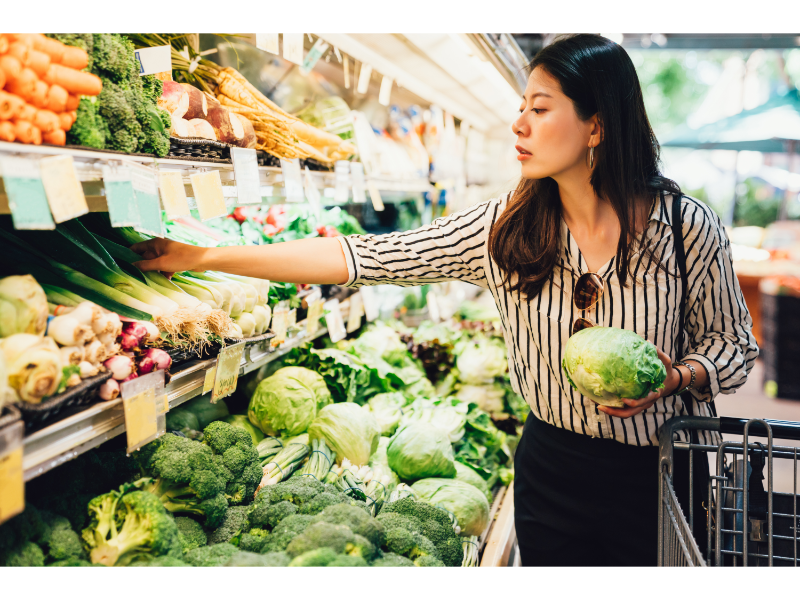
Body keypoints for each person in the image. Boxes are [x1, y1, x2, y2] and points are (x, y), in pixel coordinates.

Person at [131, 34, 758, 566]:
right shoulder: (505, 231)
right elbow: (362, 258)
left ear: (596, 125)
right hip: (554, 468)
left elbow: (734, 346)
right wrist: (201, 257)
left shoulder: (684, 227)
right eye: (521, 107)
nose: (519, 125)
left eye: (540, 109)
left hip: (661, 477)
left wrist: (676, 375)